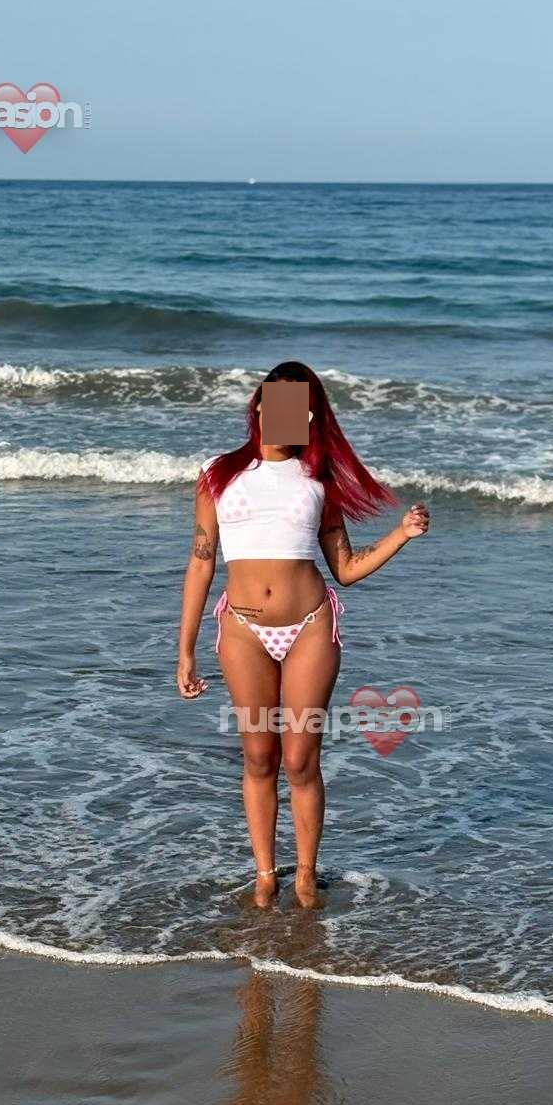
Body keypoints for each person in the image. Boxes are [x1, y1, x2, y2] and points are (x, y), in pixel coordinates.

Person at [176, 361, 430, 907]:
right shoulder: (217, 473)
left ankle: (305, 876)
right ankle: (265, 875)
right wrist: (186, 651)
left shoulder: (319, 480)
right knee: (258, 756)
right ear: (259, 407)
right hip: (242, 629)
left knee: (299, 760)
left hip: (310, 626)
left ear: (311, 417)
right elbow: (200, 562)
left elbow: (346, 568)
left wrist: (402, 535)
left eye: (302, 408)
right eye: (277, 404)